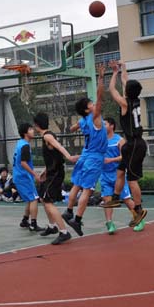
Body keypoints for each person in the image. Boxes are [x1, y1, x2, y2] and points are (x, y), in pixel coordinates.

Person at [99, 60, 147, 230]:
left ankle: (139, 209)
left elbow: (112, 90)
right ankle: (115, 198)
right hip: (131, 144)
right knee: (120, 172)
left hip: (135, 144)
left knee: (132, 180)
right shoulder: (135, 99)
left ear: (127, 92)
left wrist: (114, 73)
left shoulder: (125, 103)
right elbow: (126, 80)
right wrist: (122, 68)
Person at [63, 64, 109, 236]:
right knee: (87, 190)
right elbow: (100, 96)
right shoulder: (95, 117)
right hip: (94, 157)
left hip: (85, 155)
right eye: (90, 103)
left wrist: (75, 128)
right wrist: (101, 77)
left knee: (76, 184)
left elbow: (72, 127)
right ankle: (77, 220)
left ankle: (68, 211)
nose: (93, 103)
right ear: (87, 109)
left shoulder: (83, 121)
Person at [33, 112, 78, 245]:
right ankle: (52, 226)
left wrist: (69, 157)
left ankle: (64, 232)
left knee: (48, 201)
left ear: (36, 125)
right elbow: (54, 157)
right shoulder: (47, 135)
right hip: (52, 172)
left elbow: (59, 147)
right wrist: (45, 171)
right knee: (43, 198)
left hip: (56, 174)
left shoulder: (47, 136)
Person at [100, 118, 141, 233]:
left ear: (112, 126)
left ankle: (139, 219)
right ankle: (109, 223)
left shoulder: (119, 140)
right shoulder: (100, 140)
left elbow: (125, 156)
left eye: (105, 124)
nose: (102, 126)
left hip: (118, 175)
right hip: (104, 175)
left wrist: (111, 160)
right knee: (107, 199)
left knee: (126, 199)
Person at [13, 122, 44, 232]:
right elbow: (23, 163)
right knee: (34, 199)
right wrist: (35, 174)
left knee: (30, 199)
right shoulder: (25, 146)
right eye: (30, 129)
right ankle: (33, 224)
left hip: (19, 176)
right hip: (23, 177)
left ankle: (25, 220)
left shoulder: (20, 143)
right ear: (25, 133)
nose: (33, 131)